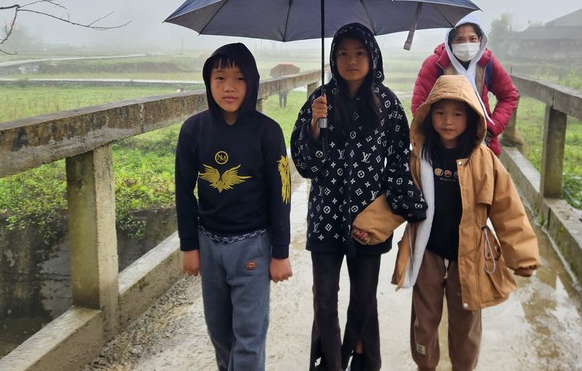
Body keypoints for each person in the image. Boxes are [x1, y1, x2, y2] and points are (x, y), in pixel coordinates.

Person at [291, 23, 426, 371]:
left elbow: (398, 160)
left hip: (368, 217)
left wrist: (401, 206)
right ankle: (330, 364)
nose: (351, 61)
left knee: (364, 299)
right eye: (343, 54)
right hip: (325, 216)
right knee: (324, 298)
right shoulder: (319, 100)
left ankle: (359, 357)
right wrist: (314, 125)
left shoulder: (388, 104)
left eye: (359, 53)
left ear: (372, 57)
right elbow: (306, 165)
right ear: (333, 58)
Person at [393, 74, 541, 371]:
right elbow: (396, 199)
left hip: (470, 254)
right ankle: (425, 364)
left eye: (457, 114)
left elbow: (508, 209)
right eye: (440, 112)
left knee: (466, 320)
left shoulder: (484, 160)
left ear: (471, 117)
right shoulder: (420, 157)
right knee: (424, 318)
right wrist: (368, 227)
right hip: (428, 253)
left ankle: (463, 366)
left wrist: (522, 255)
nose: (448, 121)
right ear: (428, 115)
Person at [175, 42, 293, 371]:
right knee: (220, 334)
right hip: (209, 246)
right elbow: (184, 190)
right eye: (220, 78)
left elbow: (281, 194)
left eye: (240, 78)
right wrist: (189, 246)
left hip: (253, 247)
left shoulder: (268, 132)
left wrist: (280, 252)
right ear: (208, 81)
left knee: (249, 337)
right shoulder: (193, 130)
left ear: (252, 82)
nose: (229, 87)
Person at [411, 15, 519, 156]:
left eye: (472, 39)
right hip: (441, 144)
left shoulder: (487, 63)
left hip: (480, 143)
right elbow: (419, 106)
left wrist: (491, 128)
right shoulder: (435, 64)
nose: (467, 45)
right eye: (459, 39)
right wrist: (437, 133)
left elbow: (509, 95)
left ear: (480, 40)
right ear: (450, 41)